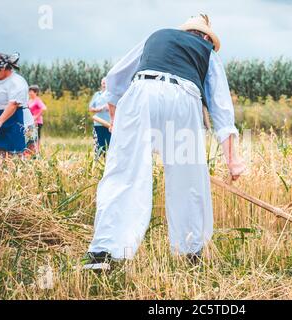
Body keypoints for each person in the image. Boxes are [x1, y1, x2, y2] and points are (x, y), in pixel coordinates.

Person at [83, 14, 246, 270]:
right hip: (183, 99)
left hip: (140, 94)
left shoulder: (157, 36)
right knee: (188, 180)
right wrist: (232, 160)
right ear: (206, 37)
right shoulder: (208, 52)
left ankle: (103, 253)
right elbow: (221, 109)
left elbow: (114, 80)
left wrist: (117, 121)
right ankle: (191, 252)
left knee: (123, 173)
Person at [0, 53, 30, 161]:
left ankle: (15, 173)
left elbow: (13, 105)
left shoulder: (16, 82)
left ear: (3, 68)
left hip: (11, 120)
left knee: (12, 153)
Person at [89, 78, 111, 158]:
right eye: (103, 83)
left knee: (108, 145)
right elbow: (90, 108)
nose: (104, 84)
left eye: (106, 83)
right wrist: (100, 109)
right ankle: (97, 163)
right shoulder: (97, 95)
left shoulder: (111, 94)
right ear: (101, 84)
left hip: (109, 124)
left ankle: (106, 162)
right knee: (99, 145)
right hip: (98, 124)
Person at [28, 85, 47, 151]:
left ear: (35, 92)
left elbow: (43, 108)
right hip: (30, 122)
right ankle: (31, 150)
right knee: (30, 136)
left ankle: (37, 150)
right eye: (29, 91)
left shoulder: (37, 100)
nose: (30, 93)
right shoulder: (29, 100)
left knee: (37, 136)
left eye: (31, 91)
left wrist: (36, 116)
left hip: (37, 122)